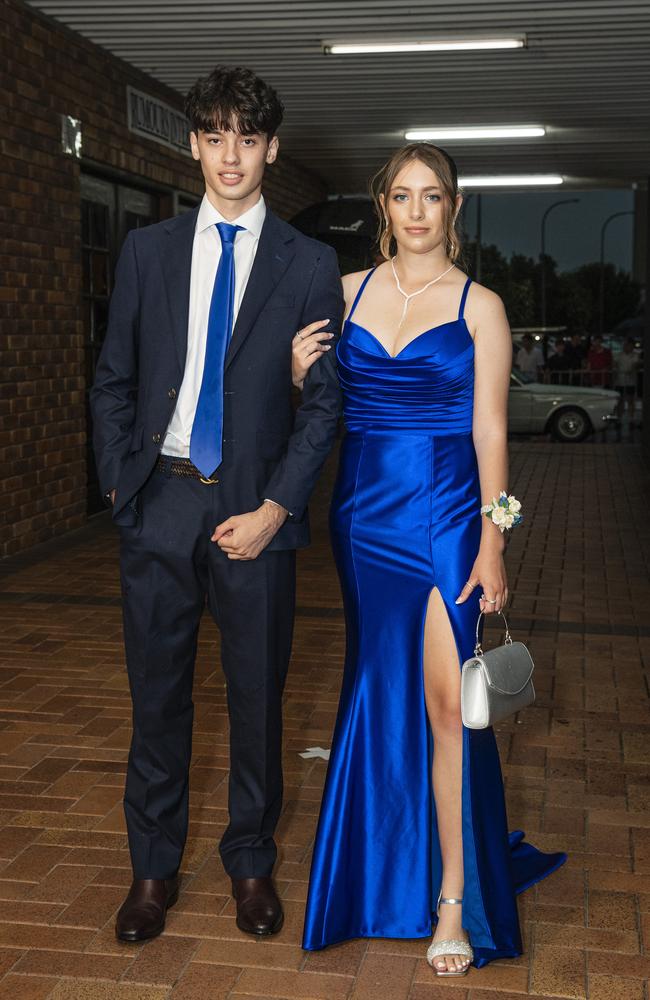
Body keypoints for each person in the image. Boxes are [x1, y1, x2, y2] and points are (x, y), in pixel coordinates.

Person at [292, 143, 566, 973]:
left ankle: (452, 894)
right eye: (403, 196)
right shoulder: (343, 295)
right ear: (384, 206)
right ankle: (373, 876)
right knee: (378, 693)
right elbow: (318, 414)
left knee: (450, 709)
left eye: (433, 196)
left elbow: (490, 431)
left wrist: (495, 538)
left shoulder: (480, 305)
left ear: (455, 208)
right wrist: (295, 374)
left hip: (448, 519)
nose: (418, 211)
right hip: (364, 519)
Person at [90, 65, 344, 943]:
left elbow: (325, 409)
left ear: (271, 149)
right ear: (193, 143)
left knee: (256, 700)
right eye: (214, 135)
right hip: (161, 501)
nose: (230, 155)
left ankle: (249, 865)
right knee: (157, 699)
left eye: (248, 137)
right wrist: (123, 486)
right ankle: (152, 872)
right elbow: (113, 379)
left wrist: (276, 509)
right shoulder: (148, 252)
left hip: (254, 509)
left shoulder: (309, 265)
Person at [613, 337, 639, 420]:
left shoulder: (635, 355)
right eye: (625, 345)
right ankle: (619, 418)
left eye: (629, 345)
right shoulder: (619, 355)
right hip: (619, 381)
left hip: (630, 381)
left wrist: (631, 369)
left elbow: (635, 364)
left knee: (630, 400)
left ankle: (631, 419)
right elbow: (615, 364)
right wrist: (615, 368)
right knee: (620, 401)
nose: (627, 346)